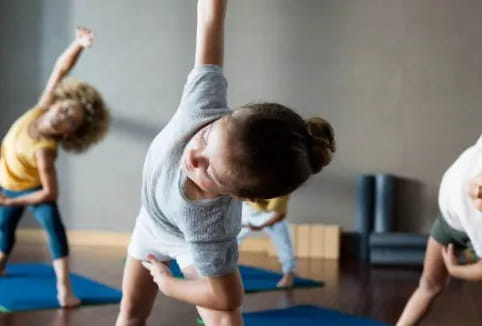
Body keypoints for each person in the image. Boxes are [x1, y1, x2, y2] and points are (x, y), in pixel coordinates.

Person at [116, 1, 336, 325]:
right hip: (151, 223)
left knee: (225, 314)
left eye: (208, 169)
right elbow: (210, 18)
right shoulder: (203, 103)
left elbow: (228, 295)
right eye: (205, 139)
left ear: (239, 197)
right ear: (223, 116)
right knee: (131, 313)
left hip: (187, 240)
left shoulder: (210, 222)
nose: (193, 157)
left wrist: (169, 284)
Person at [0, 26, 110, 308]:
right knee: (4, 230)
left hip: (31, 190)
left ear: (69, 134)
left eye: (70, 120)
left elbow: (49, 193)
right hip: (8, 185)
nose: (62, 114)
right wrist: (78, 44)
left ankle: (65, 289)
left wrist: (16, 201)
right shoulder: (40, 108)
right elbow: (60, 70)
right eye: (64, 108)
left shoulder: (44, 151)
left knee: (54, 228)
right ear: (54, 104)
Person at [397, 105, 482, 326]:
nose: (479, 193)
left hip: (475, 236)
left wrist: (456, 270)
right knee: (429, 284)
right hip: (448, 224)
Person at [239, 196, 297, 288]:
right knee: (231, 240)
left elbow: (279, 215)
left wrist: (260, 227)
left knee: (284, 243)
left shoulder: (281, 190)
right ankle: (223, 271)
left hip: (270, 214)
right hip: (247, 209)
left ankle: (289, 273)